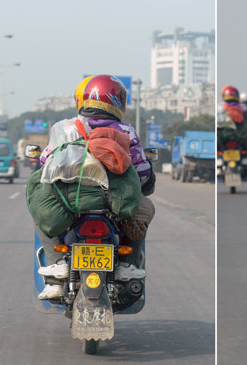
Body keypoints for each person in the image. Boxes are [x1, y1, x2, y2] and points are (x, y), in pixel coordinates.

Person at [36, 75, 154, 299]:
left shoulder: (64, 128)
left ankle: (56, 263)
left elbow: (45, 163)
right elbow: (142, 173)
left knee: (40, 207)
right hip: (114, 205)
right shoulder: (126, 131)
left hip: (70, 203)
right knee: (144, 207)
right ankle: (127, 264)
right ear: (117, 101)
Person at [219, 85, 247, 178]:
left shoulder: (220, 107)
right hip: (240, 136)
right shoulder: (242, 107)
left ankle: (219, 161)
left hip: (223, 136)